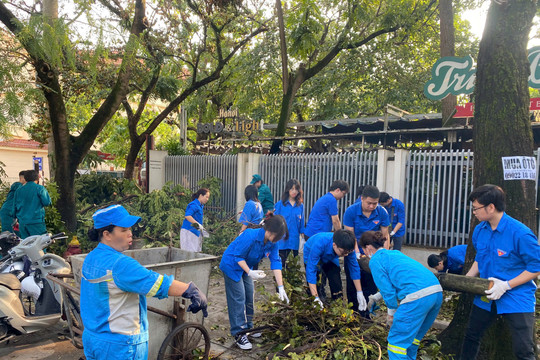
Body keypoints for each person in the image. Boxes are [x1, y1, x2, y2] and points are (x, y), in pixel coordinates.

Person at [80, 204, 208, 360]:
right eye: (124, 230)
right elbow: (157, 284)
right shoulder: (120, 264)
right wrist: (191, 290)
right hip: (119, 346)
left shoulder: (90, 258)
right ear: (107, 234)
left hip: (93, 339)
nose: (130, 234)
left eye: (130, 229)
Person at [459, 185, 540, 360]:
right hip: (486, 293)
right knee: (471, 336)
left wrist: (506, 285)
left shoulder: (520, 234)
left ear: (491, 207)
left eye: (476, 208)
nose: (473, 212)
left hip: (517, 296)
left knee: (523, 349)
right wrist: (464, 282)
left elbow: (536, 268)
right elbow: (480, 260)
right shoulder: (480, 230)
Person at [360, 231, 442, 360]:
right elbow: (399, 281)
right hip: (435, 292)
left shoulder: (375, 260)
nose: (364, 253)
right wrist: (376, 297)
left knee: (396, 344)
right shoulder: (395, 254)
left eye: (363, 249)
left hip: (417, 297)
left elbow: (388, 291)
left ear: (368, 248)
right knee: (412, 340)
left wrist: (391, 314)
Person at [219, 214, 290, 350]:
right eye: (278, 236)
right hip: (232, 265)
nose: (278, 240)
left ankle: (249, 327)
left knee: (249, 294)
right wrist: (250, 272)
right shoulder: (250, 235)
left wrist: (281, 287)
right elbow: (238, 256)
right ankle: (239, 333)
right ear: (270, 231)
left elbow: (275, 262)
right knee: (238, 297)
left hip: (246, 266)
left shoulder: (272, 242)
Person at [343, 185, 390, 315]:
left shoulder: (382, 212)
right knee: (353, 283)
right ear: (362, 198)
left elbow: (385, 235)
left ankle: (368, 312)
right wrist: (357, 254)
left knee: (370, 283)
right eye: (369, 203)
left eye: (375, 203)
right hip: (354, 251)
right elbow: (350, 235)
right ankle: (353, 312)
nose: (371, 206)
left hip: (373, 254)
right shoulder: (351, 211)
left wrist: (384, 254)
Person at [303, 230, 366, 311]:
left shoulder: (347, 247)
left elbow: (354, 268)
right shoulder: (319, 244)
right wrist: (315, 297)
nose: (346, 255)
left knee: (335, 278)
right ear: (334, 245)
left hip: (331, 257)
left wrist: (359, 292)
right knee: (318, 282)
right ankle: (315, 303)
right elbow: (311, 270)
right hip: (311, 253)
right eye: (344, 252)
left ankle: (337, 305)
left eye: (348, 252)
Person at [273, 179, 305, 268]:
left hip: (294, 240)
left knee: (292, 266)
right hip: (282, 240)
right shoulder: (280, 204)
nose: (294, 191)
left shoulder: (300, 206)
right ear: (287, 190)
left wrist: (303, 237)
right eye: (292, 189)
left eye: (296, 189)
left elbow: (301, 223)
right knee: (281, 264)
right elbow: (274, 221)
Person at [12, 170, 51, 238]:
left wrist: (15, 218)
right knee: (40, 244)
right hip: (36, 222)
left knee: (26, 245)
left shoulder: (18, 190)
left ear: (25, 178)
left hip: (23, 223)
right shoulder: (40, 188)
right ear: (37, 178)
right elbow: (47, 202)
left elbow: (14, 208)